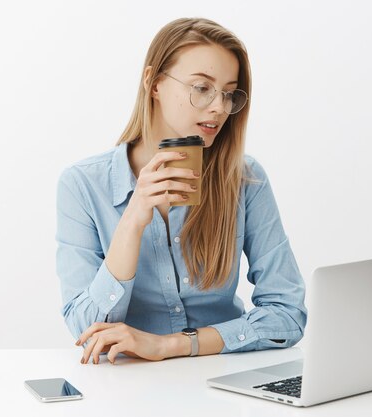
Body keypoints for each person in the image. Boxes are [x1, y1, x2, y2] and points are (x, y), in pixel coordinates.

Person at [56, 17, 307, 365]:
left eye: (228, 93)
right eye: (202, 87)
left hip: (220, 375)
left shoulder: (245, 180)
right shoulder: (83, 185)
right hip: (127, 385)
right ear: (154, 83)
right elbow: (87, 329)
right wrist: (132, 222)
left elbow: (288, 314)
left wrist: (170, 345)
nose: (219, 107)